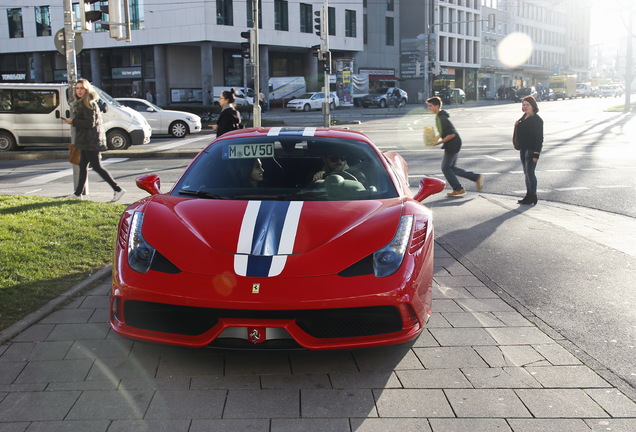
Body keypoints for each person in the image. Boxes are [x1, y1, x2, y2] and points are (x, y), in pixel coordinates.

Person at [63, 79, 125, 202]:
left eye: (82, 88)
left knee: (97, 167)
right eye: (77, 88)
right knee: (82, 166)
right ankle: (77, 193)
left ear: (87, 90)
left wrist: (73, 122)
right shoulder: (83, 102)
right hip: (87, 140)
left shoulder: (87, 103)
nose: (79, 90)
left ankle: (118, 189)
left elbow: (90, 123)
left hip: (90, 141)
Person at [426, 96, 483, 197]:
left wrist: (437, 143)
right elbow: (444, 131)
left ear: (437, 106)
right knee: (452, 168)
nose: (429, 108)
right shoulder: (439, 116)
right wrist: (436, 138)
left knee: (445, 168)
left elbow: (451, 134)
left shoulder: (442, 118)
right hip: (453, 143)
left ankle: (458, 188)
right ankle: (475, 177)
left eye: (430, 106)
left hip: (453, 144)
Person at [514, 95, 543, 205]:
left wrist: (536, 154)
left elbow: (539, 138)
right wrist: (517, 125)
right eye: (523, 105)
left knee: (530, 173)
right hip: (524, 149)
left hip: (531, 150)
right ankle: (528, 195)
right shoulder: (524, 117)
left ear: (533, 106)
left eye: (527, 105)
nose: (525, 107)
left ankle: (533, 196)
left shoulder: (537, 120)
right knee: (526, 173)